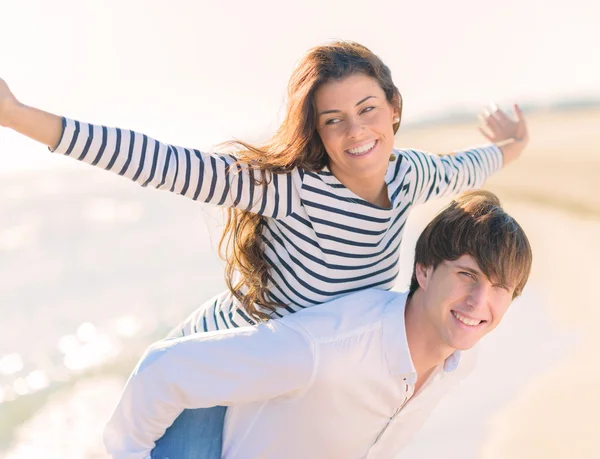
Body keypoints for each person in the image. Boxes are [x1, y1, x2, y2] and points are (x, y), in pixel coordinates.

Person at [0, 41, 528, 457]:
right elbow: (162, 162)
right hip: (224, 362)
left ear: (393, 109)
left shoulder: (410, 174)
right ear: (318, 133)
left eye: (368, 109)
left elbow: (471, 164)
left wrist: (512, 146)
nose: (356, 130)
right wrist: (18, 114)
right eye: (333, 119)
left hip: (300, 371)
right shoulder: (290, 189)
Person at [103, 190, 532, 458]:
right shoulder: (324, 351)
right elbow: (164, 370)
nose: (480, 302)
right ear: (423, 270)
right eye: (467, 275)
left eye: (500, 288)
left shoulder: (458, 360)